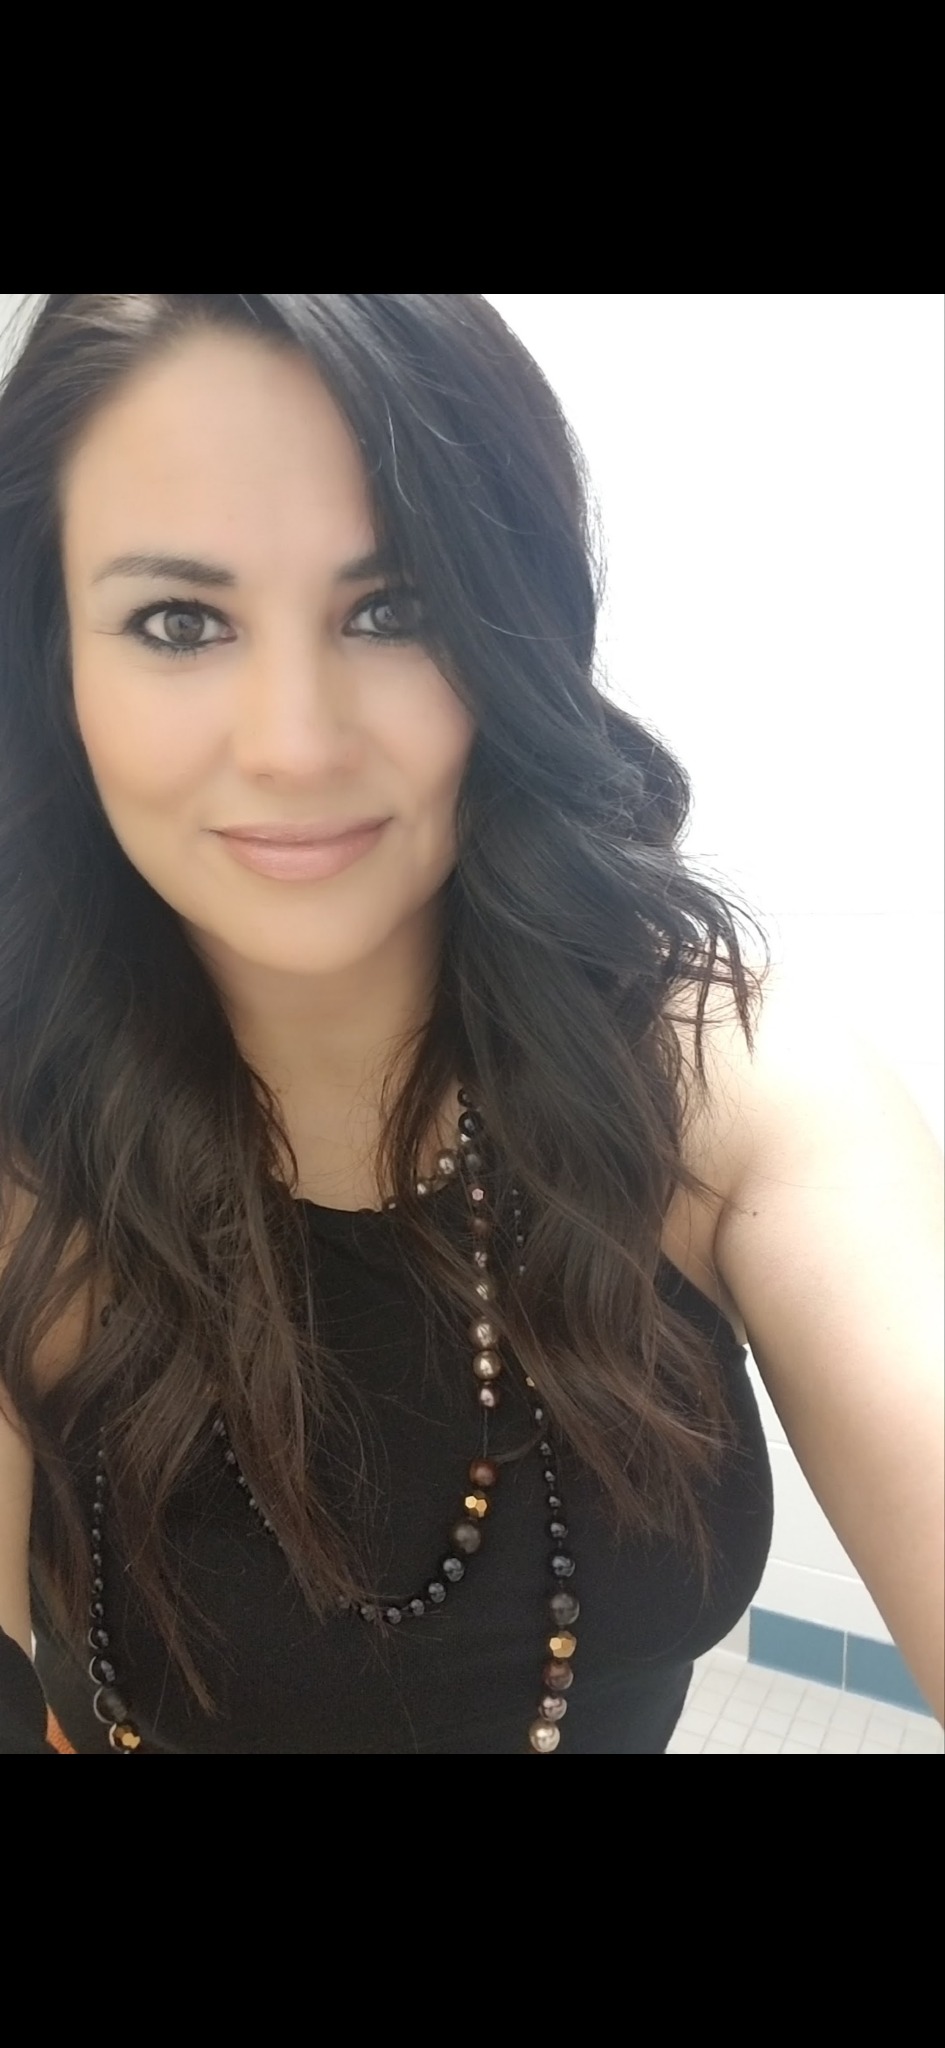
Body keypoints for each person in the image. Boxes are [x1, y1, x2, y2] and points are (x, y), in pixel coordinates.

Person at [0, 294, 941, 1754]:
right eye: (180, 622)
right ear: (53, 661)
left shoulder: (724, 1083)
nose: (294, 744)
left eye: (394, 609)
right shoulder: (25, 1132)